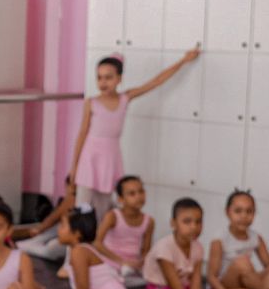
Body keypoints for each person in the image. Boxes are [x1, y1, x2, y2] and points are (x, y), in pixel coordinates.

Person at [70, 50, 200, 219]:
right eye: (99, 77)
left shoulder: (125, 98)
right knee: (82, 209)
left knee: (103, 210)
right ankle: (77, 244)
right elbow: (81, 135)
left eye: (108, 77)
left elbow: (156, 81)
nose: (103, 82)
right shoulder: (92, 103)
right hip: (89, 159)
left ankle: (98, 243)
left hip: (110, 157)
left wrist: (183, 60)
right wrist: (74, 167)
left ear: (119, 79)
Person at [142, 198, 257, 289]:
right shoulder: (164, 248)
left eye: (198, 222)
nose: (194, 226)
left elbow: (195, 287)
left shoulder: (198, 247)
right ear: (173, 223)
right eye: (187, 221)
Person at [93, 175, 153, 287]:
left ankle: (125, 278)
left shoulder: (149, 221)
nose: (139, 197)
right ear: (120, 199)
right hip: (111, 261)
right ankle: (120, 279)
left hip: (132, 264)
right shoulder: (112, 216)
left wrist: (141, 261)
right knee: (108, 273)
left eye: (141, 191)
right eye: (132, 194)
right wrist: (121, 261)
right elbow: (97, 243)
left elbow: (146, 250)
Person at [13, 174, 76, 264]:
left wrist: (38, 229)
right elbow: (54, 219)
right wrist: (39, 230)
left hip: (68, 238)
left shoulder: (72, 198)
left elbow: (53, 218)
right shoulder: (71, 199)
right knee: (50, 232)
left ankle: (21, 246)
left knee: (49, 250)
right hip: (62, 232)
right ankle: (22, 245)